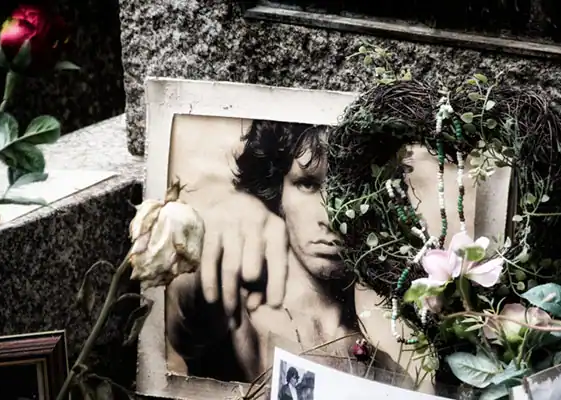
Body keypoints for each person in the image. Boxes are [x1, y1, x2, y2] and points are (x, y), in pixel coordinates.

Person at [166, 120, 402, 383]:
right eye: (308, 184)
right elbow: (184, 313)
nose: (329, 217)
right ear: (277, 192)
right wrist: (210, 240)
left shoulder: (386, 369)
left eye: (350, 189)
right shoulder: (240, 316)